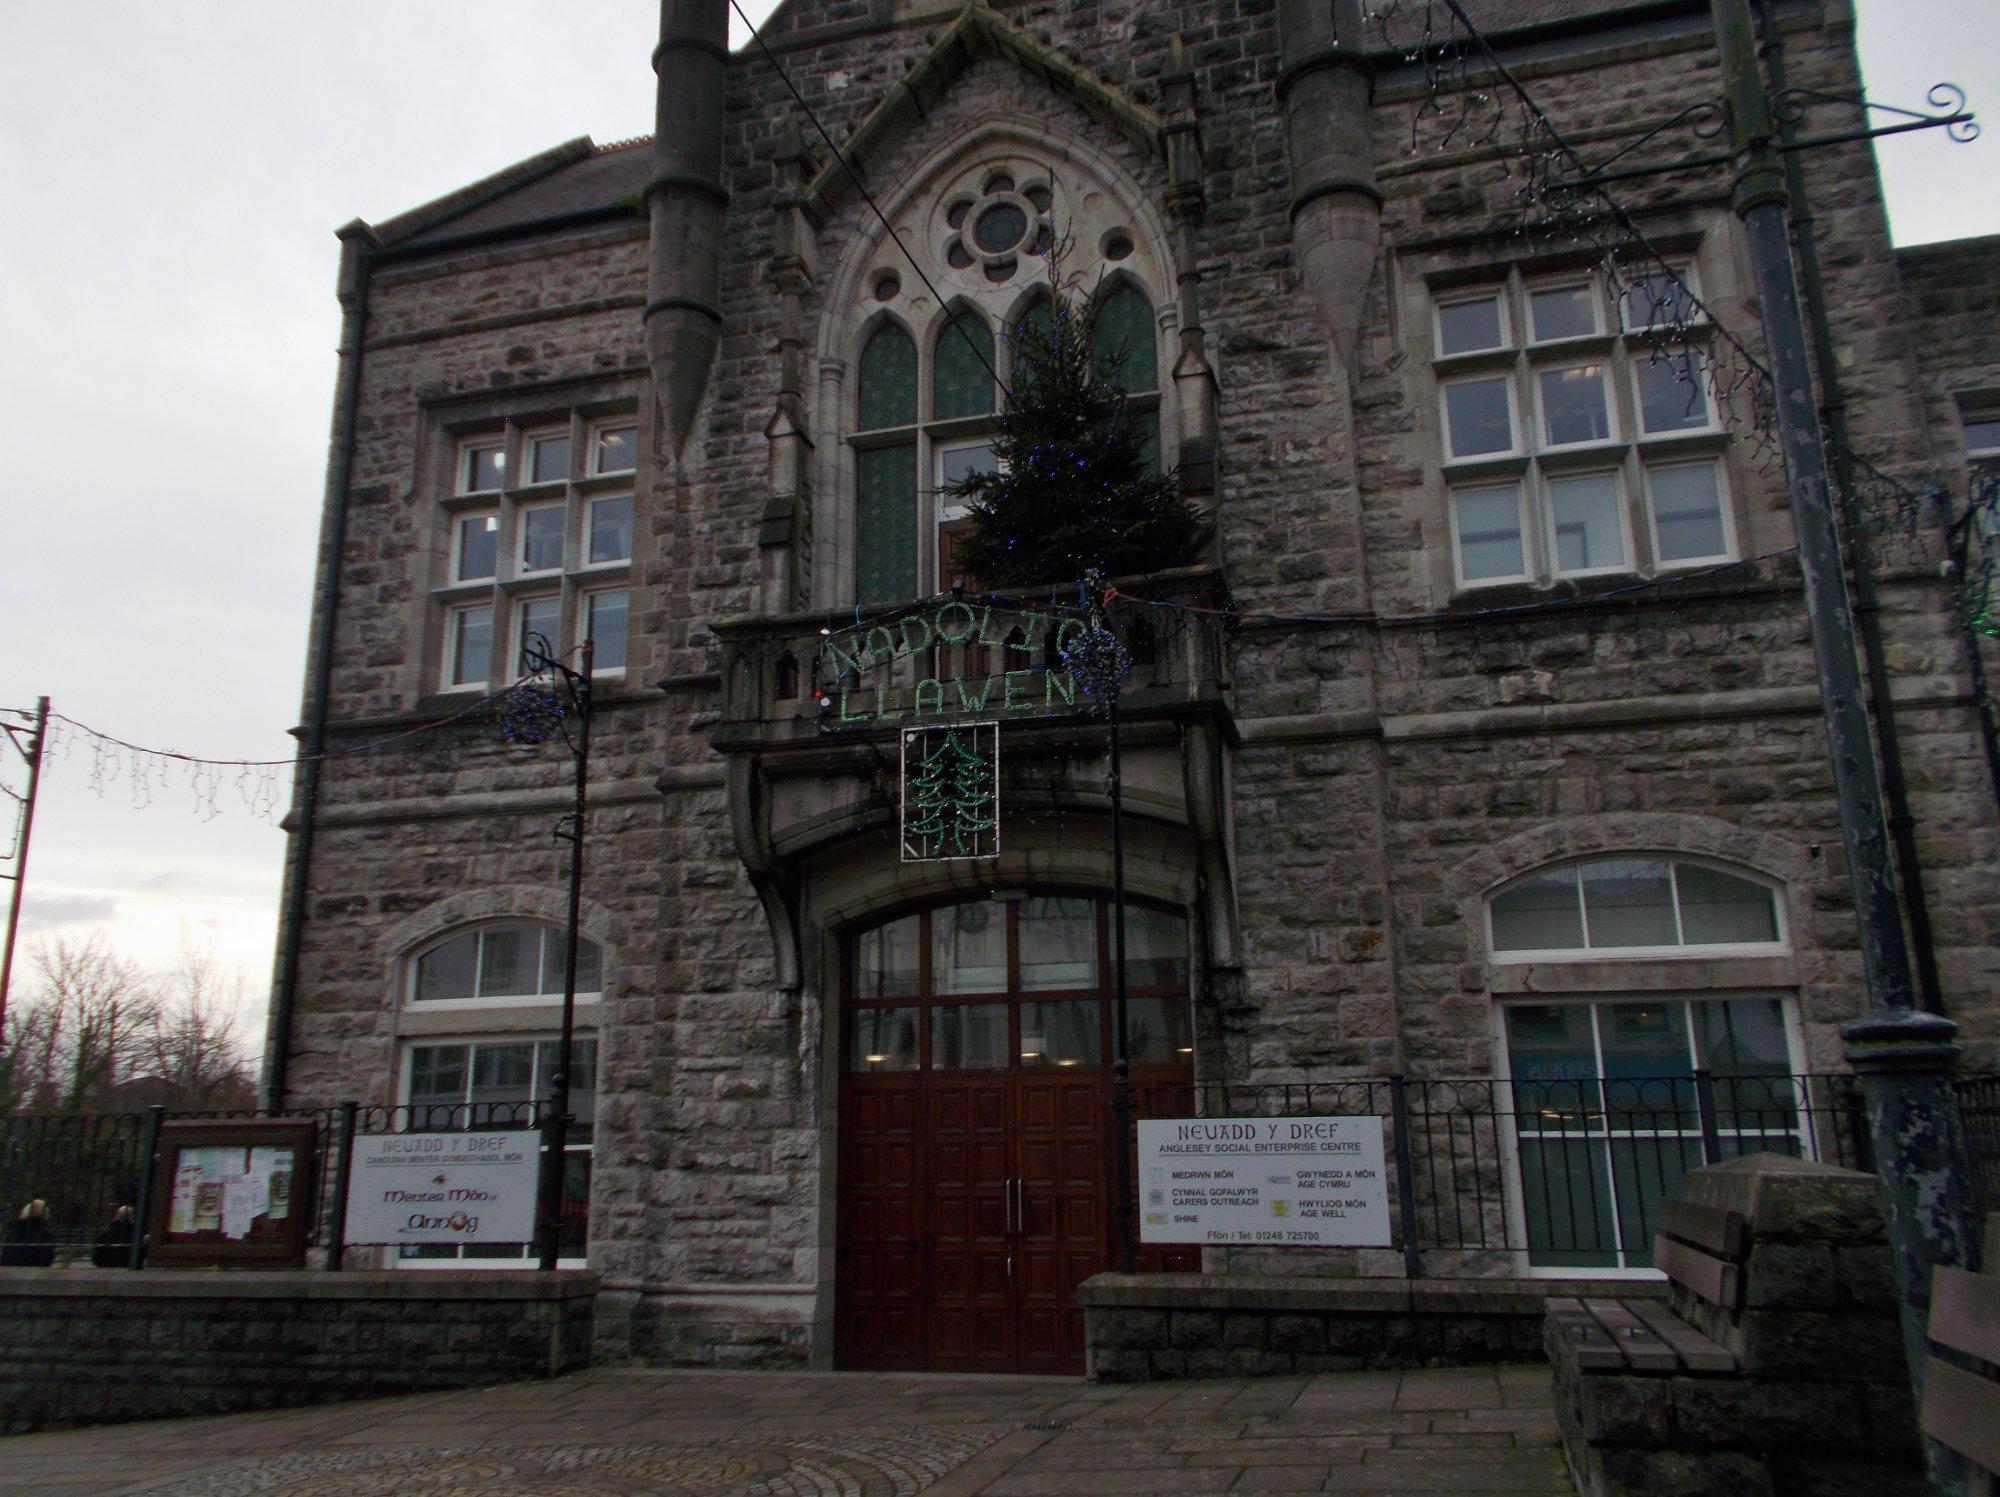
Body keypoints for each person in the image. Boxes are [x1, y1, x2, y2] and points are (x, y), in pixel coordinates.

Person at [1, 1199, 57, 1268]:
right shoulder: (44, 1232)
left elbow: (6, 1253)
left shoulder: (14, 1229)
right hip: (35, 1269)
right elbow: (47, 1257)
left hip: (9, 1268)